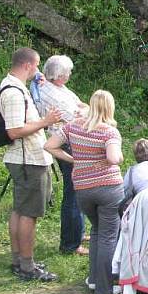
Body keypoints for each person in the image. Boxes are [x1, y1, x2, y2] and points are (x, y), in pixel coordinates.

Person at [45, 90, 124, 294]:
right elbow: (114, 158)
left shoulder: (73, 126)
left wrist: (74, 160)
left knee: (97, 231)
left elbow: (49, 145)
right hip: (108, 188)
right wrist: (118, 156)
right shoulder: (109, 132)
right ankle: (104, 288)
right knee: (108, 236)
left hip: (82, 188)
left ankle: (94, 279)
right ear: (109, 108)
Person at [0, 47, 61, 281]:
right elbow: (14, 131)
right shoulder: (14, 92)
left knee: (20, 210)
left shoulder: (15, 87)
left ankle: (20, 260)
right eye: (36, 65)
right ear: (27, 65)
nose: (38, 69)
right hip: (28, 161)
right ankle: (27, 266)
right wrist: (46, 121)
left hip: (24, 160)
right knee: (29, 214)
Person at [37, 54, 88, 256]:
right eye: (68, 72)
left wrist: (83, 111)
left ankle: (78, 232)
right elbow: (77, 117)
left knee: (78, 189)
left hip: (68, 139)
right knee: (73, 192)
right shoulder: (52, 94)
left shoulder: (59, 87)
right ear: (59, 75)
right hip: (65, 143)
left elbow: (82, 106)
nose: (70, 74)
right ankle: (70, 243)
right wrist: (83, 112)